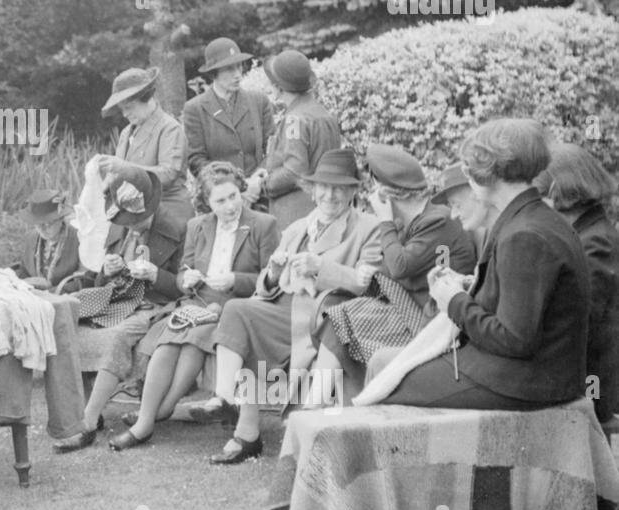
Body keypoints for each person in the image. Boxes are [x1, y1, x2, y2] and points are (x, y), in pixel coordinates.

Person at [390, 120, 592, 510]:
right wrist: (467, 292)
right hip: (527, 374)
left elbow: (515, 338)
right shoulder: (531, 219)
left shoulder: (525, 233)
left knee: (387, 381)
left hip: (526, 382)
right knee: (388, 367)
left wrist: (453, 304)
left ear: (486, 174)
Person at [199, 149, 381, 464]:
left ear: (353, 191)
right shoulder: (299, 227)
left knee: (248, 320)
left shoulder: (369, 228)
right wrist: (271, 272)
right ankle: (227, 401)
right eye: (323, 186)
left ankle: (246, 434)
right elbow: (266, 288)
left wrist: (320, 267)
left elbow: (370, 284)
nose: (330, 195)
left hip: (323, 319)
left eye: (340, 187)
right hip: (285, 310)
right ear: (312, 190)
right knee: (239, 311)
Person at [107, 163, 279, 450]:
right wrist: (187, 278)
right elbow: (181, 275)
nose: (229, 206)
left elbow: (272, 279)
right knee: (171, 342)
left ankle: (156, 415)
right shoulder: (197, 226)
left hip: (237, 306)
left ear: (242, 192)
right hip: (198, 300)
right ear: (207, 203)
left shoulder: (263, 225)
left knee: (192, 335)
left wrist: (236, 279)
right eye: (220, 201)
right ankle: (147, 420)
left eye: (234, 196)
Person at [306, 144, 476, 406]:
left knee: (341, 317)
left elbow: (400, 267)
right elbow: (394, 271)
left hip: (434, 323)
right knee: (337, 315)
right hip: (414, 311)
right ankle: (316, 404)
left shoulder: (438, 221)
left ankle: (318, 405)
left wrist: (384, 220)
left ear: (386, 194)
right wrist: (371, 270)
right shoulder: (415, 223)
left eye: (376, 191)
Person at [54, 168, 184, 452]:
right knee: (70, 318)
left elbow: (184, 288)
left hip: (154, 304)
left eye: (138, 221)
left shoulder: (177, 229)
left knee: (117, 337)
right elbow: (101, 281)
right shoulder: (120, 226)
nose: (132, 227)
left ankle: (86, 424)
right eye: (127, 222)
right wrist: (107, 269)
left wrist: (156, 275)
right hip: (116, 298)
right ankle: (90, 409)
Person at [535, 141, 618, 425]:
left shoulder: (595, 241)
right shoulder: (586, 233)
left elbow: (581, 316)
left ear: (558, 191)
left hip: (592, 384)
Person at [247, 50, 342, 229]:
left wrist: (260, 185)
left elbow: (294, 172)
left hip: (296, 215)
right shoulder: (322, 113)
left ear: (278, 87)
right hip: (323, 208)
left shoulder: (295, 119)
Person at [95, 66, 192, 239]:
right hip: (135, 214)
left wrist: (125, 168)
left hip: (168, 212)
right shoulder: (126, 133)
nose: (124, 114)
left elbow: (169, 174)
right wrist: (107, 182)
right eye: (121, 108)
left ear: (147, 98)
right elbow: (121, 175)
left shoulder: (169, 128)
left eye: (129, 107)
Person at [180, 38, 275, 179]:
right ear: (214, 73)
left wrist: (258, 178)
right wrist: (233, 186)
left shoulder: (259, 101)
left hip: (260, 189)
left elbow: (274, 148)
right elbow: (196, 161)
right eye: (229, 68)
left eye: (239, 66)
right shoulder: (195, 109)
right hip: (222, 193)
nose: (237, 74)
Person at [10, 189, 81, 291]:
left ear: (61, 218)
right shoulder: (31, 238)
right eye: (37, 224)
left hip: (65, 298)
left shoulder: (78, 239)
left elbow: (83, 280)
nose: (42, 229)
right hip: (32, 295)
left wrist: (52, 292)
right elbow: (24, 270)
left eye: (48, 224)